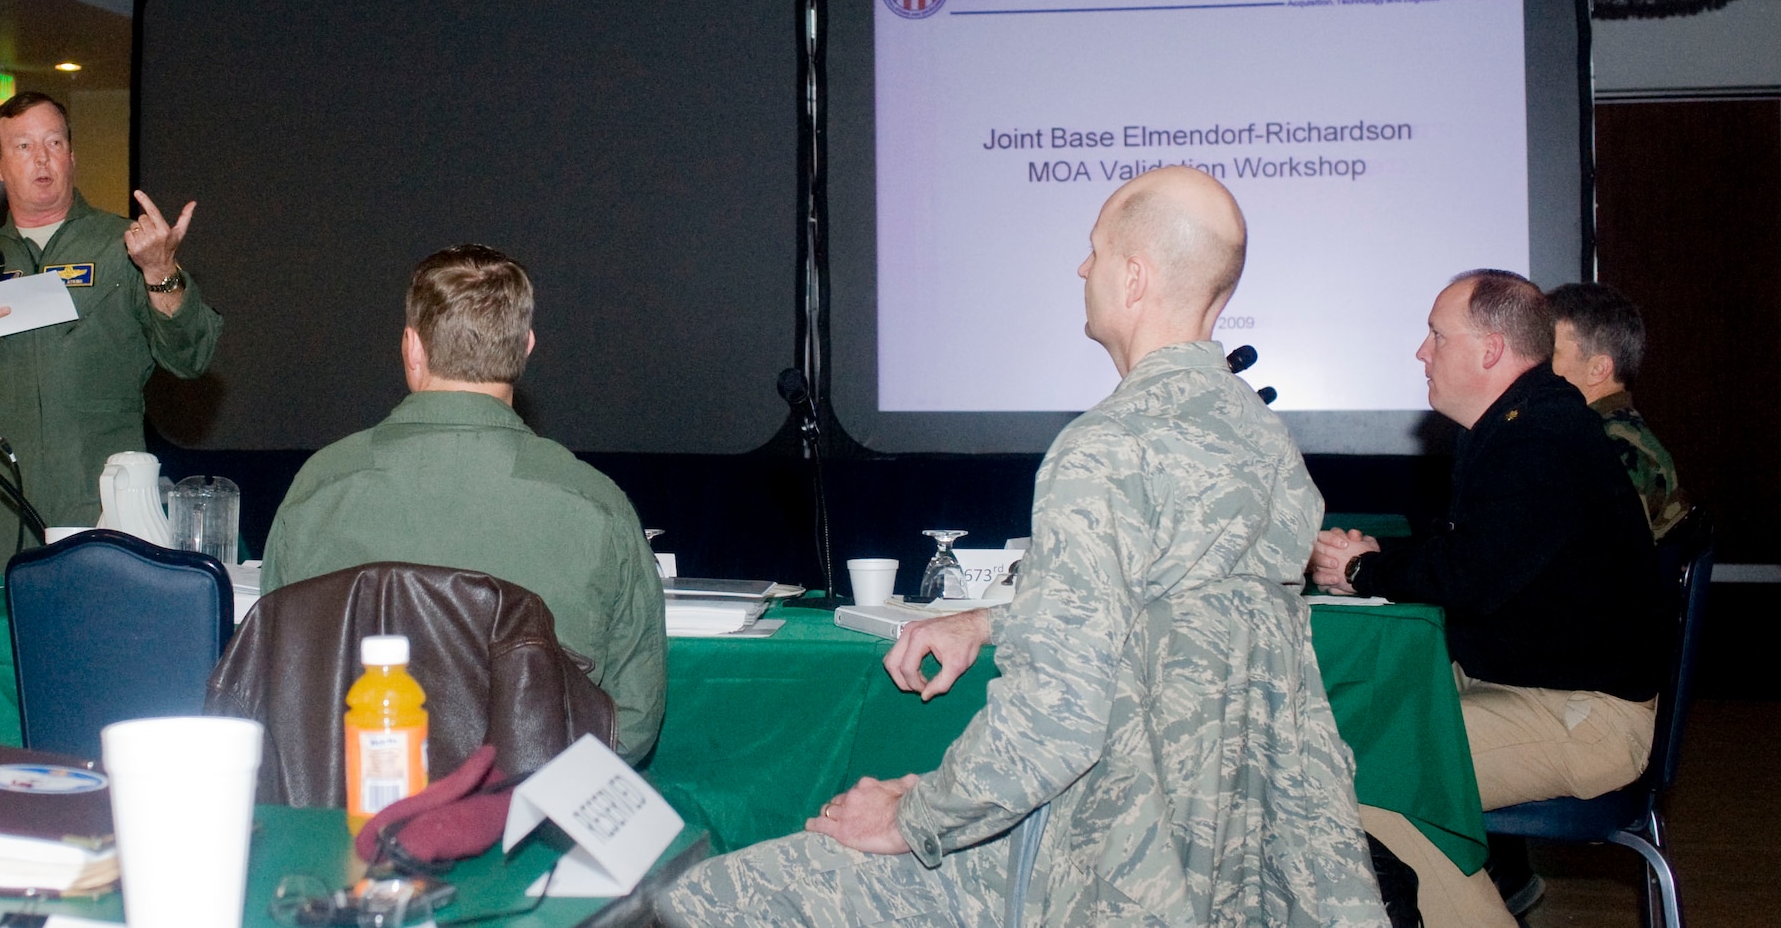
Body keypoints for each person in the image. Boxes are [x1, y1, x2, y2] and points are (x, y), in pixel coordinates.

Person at [660, 168, 1387, 928]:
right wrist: (990, 620)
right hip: (1224, 874)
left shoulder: (1107, 448)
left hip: (1090, 866)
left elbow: (1056, 725)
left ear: (1134, 278)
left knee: (707, 900)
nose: (1082, 268)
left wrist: (914, 818)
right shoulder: (1269, 447)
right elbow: (1174, 615)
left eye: (1095, 252)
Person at [1311, 270, 1659, 928]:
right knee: (1351, 723)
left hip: (1586, 719)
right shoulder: (1518, 424)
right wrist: (1374, 563)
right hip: (1539, 686)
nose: (1422, 352)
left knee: (1356, 766)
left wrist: (1365, 570)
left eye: (1438, 336)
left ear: (1491, 350)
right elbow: (1472, 553)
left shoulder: (1537, 439)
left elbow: (1471, 578)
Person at [260, 244, 667, 763]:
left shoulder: (317, 490)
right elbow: (631, 725)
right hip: (527, 826)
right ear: (525, 348)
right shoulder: (595, 504)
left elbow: (275, 686)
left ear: (412, 348)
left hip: (351, 818)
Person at [0, 92, 223, 572]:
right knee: (0, 640)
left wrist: (161, 273)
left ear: (72, 156)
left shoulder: (126, 246)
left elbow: (191, 357)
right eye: (24, 146)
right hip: (3, 503)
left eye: (54, 142)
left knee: (103, 630)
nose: (42, 158)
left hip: (102, 494)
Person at [1548, 281, 1688, 540]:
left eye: (1550, 353)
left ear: (1598, 370)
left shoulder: (1611, 445)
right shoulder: (1603, 432)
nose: (1538, 365)